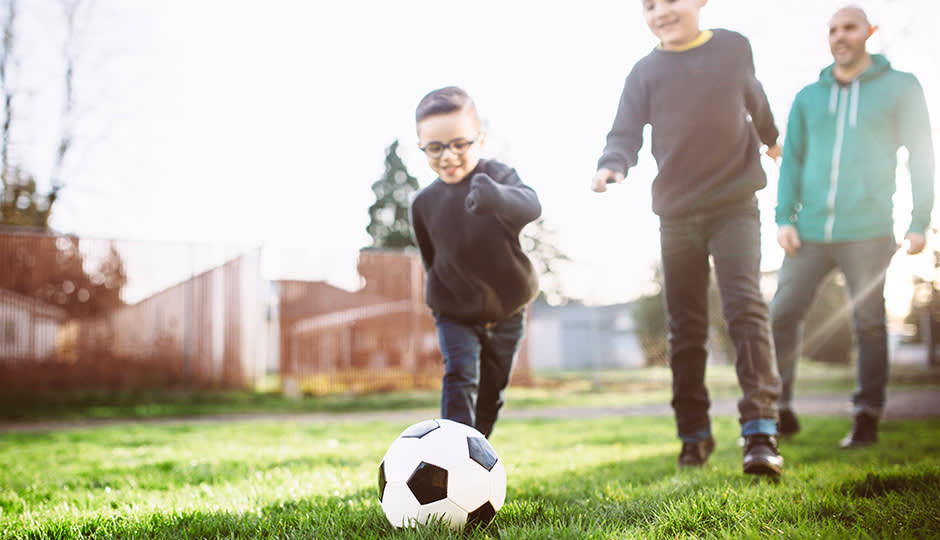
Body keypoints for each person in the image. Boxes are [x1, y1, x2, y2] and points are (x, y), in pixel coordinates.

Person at [592, 0, 784, 476]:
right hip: (677, 213)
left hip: (735, 203)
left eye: (670, 0)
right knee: (686, 326)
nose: (660, 11)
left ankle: (760, 431)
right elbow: (625, 129)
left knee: (744, 307)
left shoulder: (734, 48)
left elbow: (754, 98)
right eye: (649, 5)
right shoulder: (644, 72)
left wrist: (772, 138)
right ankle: (693, 435)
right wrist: (613, 163)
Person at [771, 5, 934, 449]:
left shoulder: (901, 87)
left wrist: (920, 221)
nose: (840, 36)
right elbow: (793, 161)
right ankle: (778, 407)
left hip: (868, 229)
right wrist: (784, 217)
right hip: (808, 231)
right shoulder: (808, 96)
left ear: (869, 32)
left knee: (868, 322)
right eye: (833, 30)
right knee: (781, 314)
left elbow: (921, 155)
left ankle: (866, 415)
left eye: (849, 28)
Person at [409, 86, 542, 438]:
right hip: (454, 311)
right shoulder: (423, 204)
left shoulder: (498, 177)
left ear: (479, 139)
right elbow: (431, 259)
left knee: (491, 391)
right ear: (422, 146)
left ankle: (476, 452)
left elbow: (531, 205)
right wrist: (448, 296)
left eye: (459, 144)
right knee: (460, 374)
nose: (448, 156)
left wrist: (496, 196)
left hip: (507, 308)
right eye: (435, 147)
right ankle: (450, 450)